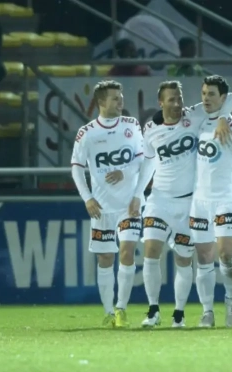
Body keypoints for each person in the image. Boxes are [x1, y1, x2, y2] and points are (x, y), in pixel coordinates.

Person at [135, 80, 232, 328]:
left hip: (189, 202)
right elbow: (148, 162)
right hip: (159, 199)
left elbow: (231, 96)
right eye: (172, 99)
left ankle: (178, 314)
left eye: (179, 98)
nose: (178, 103)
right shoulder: (151, 129)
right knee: (151, 250)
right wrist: (138, 194)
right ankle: (153, 310)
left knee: (183, 259)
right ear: (161, 102)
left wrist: (223, 118)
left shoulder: (194, 115)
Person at [71, 80, 144, 328]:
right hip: (102, 207)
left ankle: (121, 308)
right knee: (105, 258)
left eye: (121, 96)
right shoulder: (87, 133)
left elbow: (142, 159)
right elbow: (76, 168)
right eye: (115, 98)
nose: (120, 101)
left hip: (129, 204)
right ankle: (108, 311)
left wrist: (125, 172)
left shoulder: (131, 125)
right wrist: (87, 198)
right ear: (101, 102)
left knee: (127, 251)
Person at [189, 75, 232, 328]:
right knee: (204, 257)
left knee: (225, 254)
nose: (206, 98)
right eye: (203, 93)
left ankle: (231, 299)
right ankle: (207, 312)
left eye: (211, 94)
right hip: (200, 200)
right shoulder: (198, 119)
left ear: (222, 98)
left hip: (226, 198)